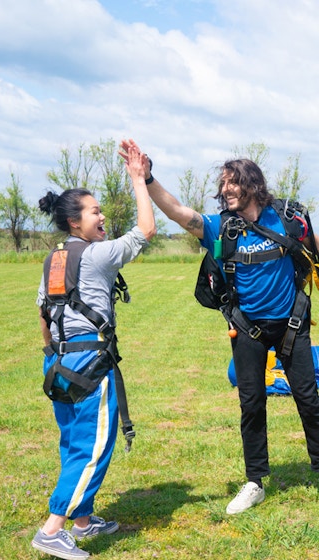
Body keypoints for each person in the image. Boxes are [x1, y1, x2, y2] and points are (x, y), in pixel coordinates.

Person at [119, 138, 319, 515]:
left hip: (292, 324)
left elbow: (313, 248)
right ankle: (255, 482)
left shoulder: (288, 217)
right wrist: (147, 179)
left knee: (309, 398)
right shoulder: (220, 227)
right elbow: (179, 213)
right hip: (247, 329)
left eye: (232, 183)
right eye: (222, 184)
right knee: (251, 404)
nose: (224, 190)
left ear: (253, 185)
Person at [31, 146, 156, 560]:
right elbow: (146, 230)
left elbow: (44, 315)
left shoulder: (54, 257)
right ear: (75, 221)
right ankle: (53, 529)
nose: (102, 218)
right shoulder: (98, 255)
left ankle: (83, 521)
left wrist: (55, 355)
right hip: (89, 363)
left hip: (59, 363)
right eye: (95, 212)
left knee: (72, 443)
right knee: (94, 446)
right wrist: (139, 179)